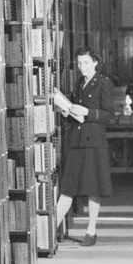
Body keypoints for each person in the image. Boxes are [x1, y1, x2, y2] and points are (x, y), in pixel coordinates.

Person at [53, 47, 118, 246]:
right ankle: (50, 229)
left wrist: (88, 112)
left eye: (86, 63)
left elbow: (109, 115)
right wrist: (67, 112)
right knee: (68, 186)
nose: (82, 67)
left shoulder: (104, 84)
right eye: (79, 63)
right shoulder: (80, 83)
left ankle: (91, 231)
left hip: (94, 142)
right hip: (77, 140)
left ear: (95, 63)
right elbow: (76, 113)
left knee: (93, 187)